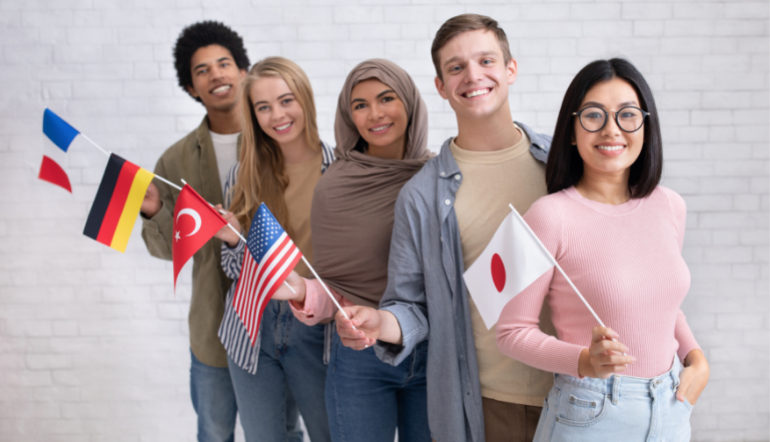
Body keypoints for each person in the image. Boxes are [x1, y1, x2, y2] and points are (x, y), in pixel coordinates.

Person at [332, 15, 555, 442]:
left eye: (486, 60)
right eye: (455, 67)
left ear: (510, 69)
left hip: (577, 392)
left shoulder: (563, 162)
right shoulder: (422, 196)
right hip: (487, 405)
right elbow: (409, 304)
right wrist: (379, 322)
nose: (473, 75)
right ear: (440, 86)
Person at [495, 58, 710, 441]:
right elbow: (511, 332)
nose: (612, 129)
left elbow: (663, 302)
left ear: (646, 125)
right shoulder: (548, 216)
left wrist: (696, 358)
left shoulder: (670, 206)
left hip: (671, 407)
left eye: (628, 115)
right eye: (594, 116)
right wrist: (583, 361)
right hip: (591, 413)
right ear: (572, 132)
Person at [270, 59, 432, 442]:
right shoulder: (334, 188)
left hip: (435, 352)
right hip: (361, 353)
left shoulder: (440, 177)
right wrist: (301, 292)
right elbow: (336, 287)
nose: (374, 113)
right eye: (360, 105)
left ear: (409, 102)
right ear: (348, 115)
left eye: (386, 98)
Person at [140, 21, 249, 442]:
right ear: (191, 88)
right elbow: (168, 250)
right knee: (214, 433)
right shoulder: (176, 159)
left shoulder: (280, 141)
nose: (216, 74)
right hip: (214, 329)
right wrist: (152, 211)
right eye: (202, 70)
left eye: (224, 63)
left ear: (244, 71)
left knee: (280, 433)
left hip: (281, 325)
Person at [215, 56, 334, 442]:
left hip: (318, 324)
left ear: (305, 100)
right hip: (252, 324)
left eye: (286, 100)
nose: (276, 115)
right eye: (262, 107)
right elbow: (234, 269)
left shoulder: (342, 169)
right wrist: (234, 239)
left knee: (331, 434)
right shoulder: (243, 174)